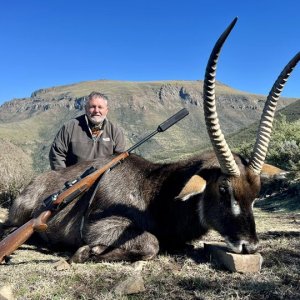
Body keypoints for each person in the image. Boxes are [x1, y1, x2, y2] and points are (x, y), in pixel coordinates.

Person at [49, 91, 125, 170]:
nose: (96, 110)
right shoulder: (69, 127)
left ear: (106, 110)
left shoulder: (116, 131)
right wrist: (63, 177)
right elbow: (56, 153)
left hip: (105, 180)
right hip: (74, 180)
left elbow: (120, 160)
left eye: (100, 107)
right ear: (86, 108)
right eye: (92, 107)